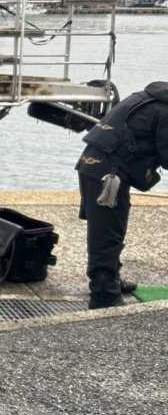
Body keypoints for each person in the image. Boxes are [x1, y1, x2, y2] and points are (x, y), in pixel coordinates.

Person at [76, 81, 168, 309]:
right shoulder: (165, 110)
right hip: (109, 176)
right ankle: (104, 295)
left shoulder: (147, 97)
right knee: (107, 235)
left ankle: (111, 279)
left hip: (92, 166)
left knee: (110, 229)